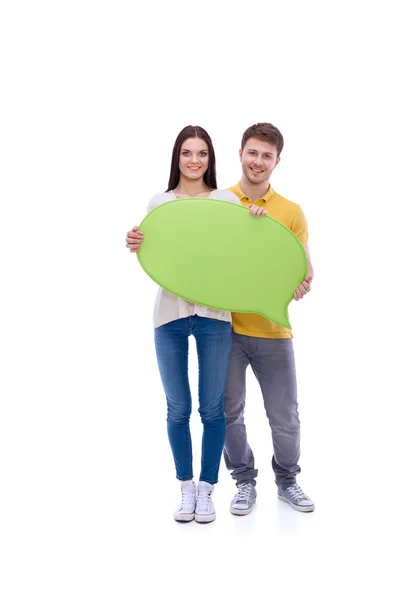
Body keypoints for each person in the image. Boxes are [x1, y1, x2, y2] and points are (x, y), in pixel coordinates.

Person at [125, 125, 266, 524]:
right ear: (177, 157)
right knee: (177, 408)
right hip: (169, 315)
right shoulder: (160, 202)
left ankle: (207, 490)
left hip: (214, 315)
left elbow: (241, 249)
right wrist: (137, 241)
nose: (194, 160)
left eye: (201, 153)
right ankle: (185, 489)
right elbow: (156, 255)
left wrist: (253, 216)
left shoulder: (224, 200)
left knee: (211, 408)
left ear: (210, 158)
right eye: (187, 153)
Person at [225, 122, 315, 516]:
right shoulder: (220, 202)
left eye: (266, 155)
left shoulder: (291, 212)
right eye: (252, 153)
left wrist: (300, 282)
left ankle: (287, 480)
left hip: (274, 331)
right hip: (223, 330)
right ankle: (244, 481)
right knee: (228, 413)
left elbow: (304, 271)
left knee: (285, 418)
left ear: (277, 161)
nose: (258, 161)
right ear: (240, 153)